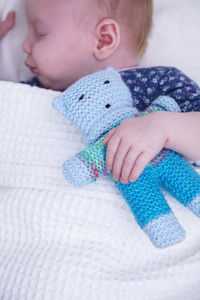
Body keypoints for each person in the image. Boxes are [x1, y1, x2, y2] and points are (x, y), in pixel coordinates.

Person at [21, 0, 200, 184]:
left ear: (103, 40)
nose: (24, 45)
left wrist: (164, 127)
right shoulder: (35, 90)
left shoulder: (162, 83)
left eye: (40, 34)